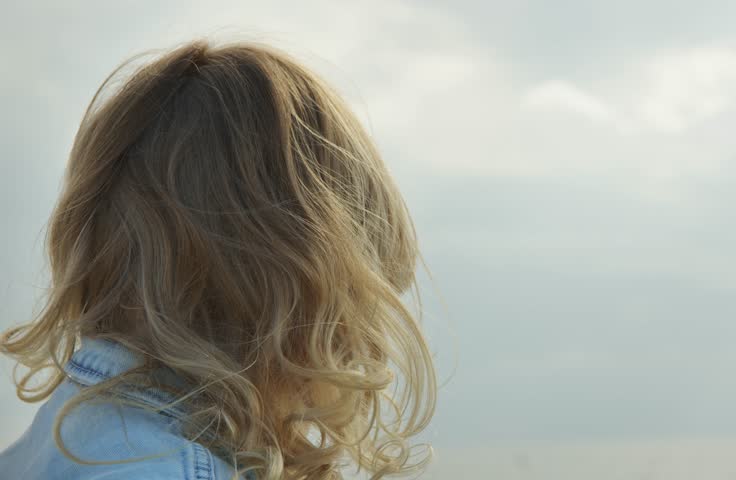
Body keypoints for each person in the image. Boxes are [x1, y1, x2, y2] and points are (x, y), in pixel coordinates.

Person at [0, 39, 437, 480]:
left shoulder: (46, 449)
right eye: (354, 300)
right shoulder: (170, 469)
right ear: (298, 294)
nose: (353, 347)